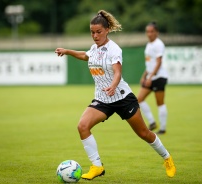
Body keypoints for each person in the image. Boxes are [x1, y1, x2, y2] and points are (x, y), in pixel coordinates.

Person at [55, 10, 176, 180]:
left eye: (98, 32)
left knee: (143, 133)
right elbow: (85, 55)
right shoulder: (94, 48)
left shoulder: (114, 49)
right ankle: (97, 166)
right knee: (82, 126)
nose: (95, 35)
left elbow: (118, 72)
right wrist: (67, 51)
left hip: (122, 97)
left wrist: (112, 86)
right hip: (103, 99)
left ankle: (167, 158)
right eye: (92, 32)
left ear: (107, 30)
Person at [137, 22, 169, 134]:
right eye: (147, 31)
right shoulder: (149, 44)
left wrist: (150, 77)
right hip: (151, 77)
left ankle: (163, 128)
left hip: (159, 77)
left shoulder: (158, 44)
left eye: (152, 31)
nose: (149, 34)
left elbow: (159, 62)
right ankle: (152, 122)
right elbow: (150, 63)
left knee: (160, 102)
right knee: (139, 99)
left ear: (157, 32)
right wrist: (144, 76)